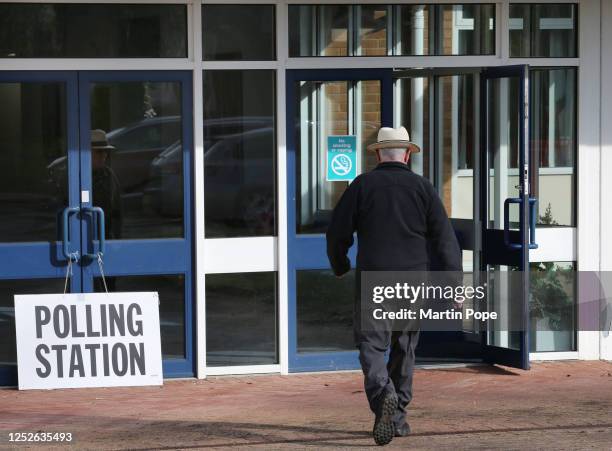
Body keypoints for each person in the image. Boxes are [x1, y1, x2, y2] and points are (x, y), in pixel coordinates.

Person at [326, 126, 462, 446]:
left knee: (371, 345)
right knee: (405, 347)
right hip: (414, 280)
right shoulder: (423, 188)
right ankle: (397, 416)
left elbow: (337, 231)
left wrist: (340, 264)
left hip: (374, 279)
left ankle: (382, 392)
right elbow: (445, 239)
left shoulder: (362, 186)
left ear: (377, 154)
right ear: (406, 154)